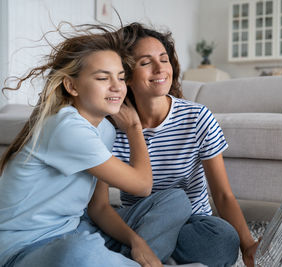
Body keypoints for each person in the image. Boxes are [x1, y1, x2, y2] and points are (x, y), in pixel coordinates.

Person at [0, 23, 191, 267]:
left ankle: (127, 260)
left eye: (121, 77)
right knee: (81, 250)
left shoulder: (105, 130)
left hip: (75, 229)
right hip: (23, 250)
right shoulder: (65, 127)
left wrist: (136, 241)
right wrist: (134, 129)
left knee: (175, 200)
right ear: (72, 86)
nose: (117, 87)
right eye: (103, 78)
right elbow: (143, 185)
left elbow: (99, 207)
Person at [112, 22, 259, 267]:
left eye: (164, 59)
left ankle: (149, 255)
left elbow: (222, 195)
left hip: (192, 223)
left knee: (223, 241)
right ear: (125, 75)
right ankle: (154, 255)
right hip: (140, 223)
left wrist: (248, 245)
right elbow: (93, 202)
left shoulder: (197, 118)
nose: (160, 69)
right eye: (146, 62)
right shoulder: (112, 126)